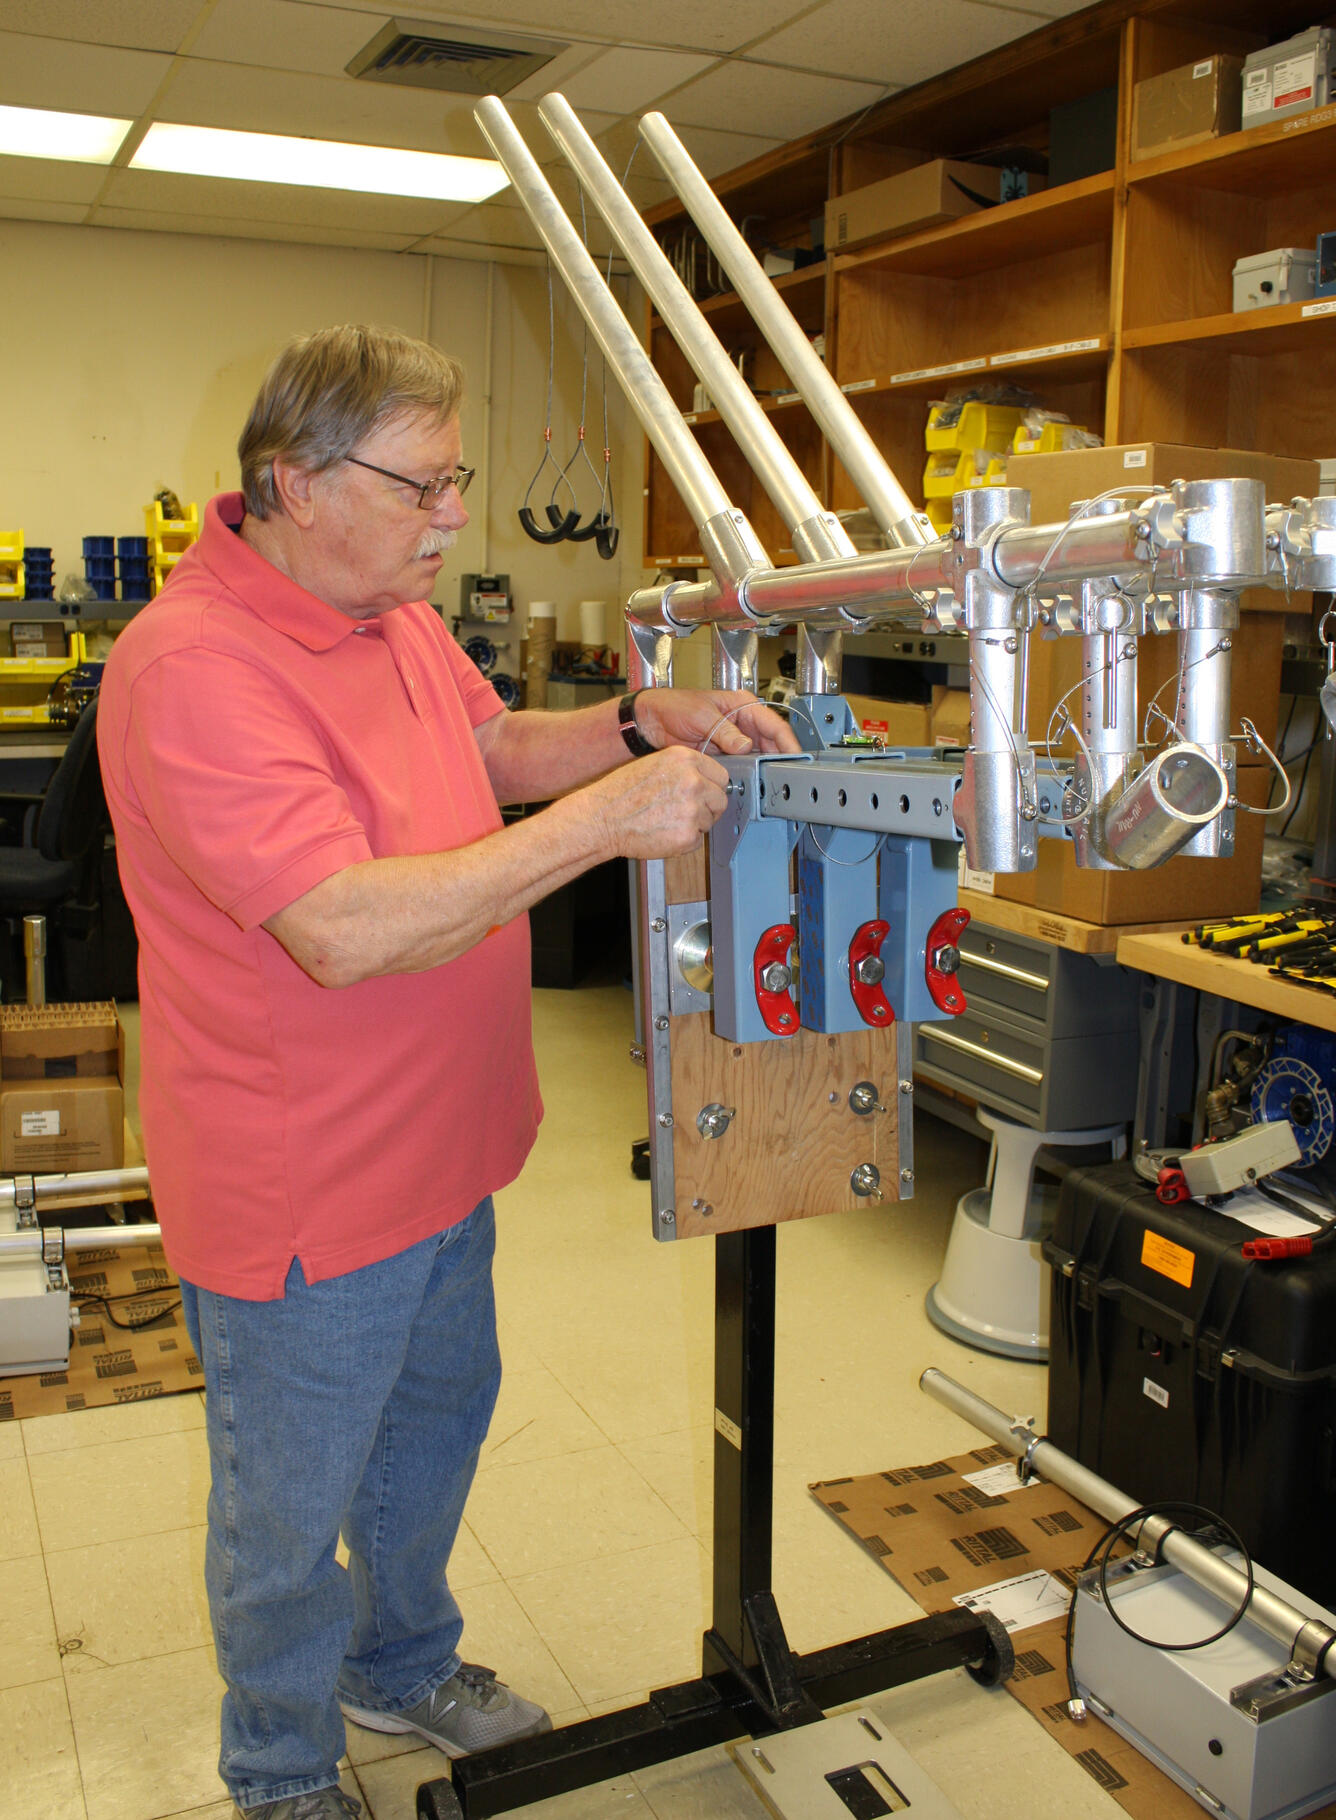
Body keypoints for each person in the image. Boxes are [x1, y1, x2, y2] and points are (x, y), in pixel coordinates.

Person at [97, 322, 798, 1820]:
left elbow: (483, 748)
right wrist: (617, 816)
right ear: (295, 481)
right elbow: (341, 928)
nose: (452, 518)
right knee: (288, 1507)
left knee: (432, 1427)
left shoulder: (386, 606)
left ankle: (400, 1660)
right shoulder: (193, 668)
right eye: (422, 486)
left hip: (440, 1151)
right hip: (305, 1185)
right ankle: (279, 1766)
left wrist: (628, 722)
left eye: (455, 478)